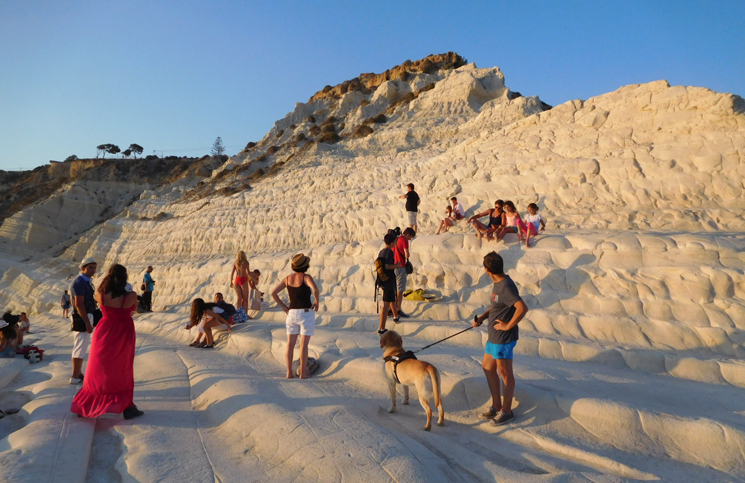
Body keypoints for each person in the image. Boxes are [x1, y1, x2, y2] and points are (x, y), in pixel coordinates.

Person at [71, 264, 144, 420]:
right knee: (123, 368)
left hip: (105, 330)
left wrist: (106, 280)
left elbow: (97, 295)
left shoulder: (101, 293)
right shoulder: (131, 295)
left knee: (98, 366)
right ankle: (128, 407)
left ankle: (86, 405)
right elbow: (135, 309)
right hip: (124, 331)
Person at [471, 252, 528, 425]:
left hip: (503, 338)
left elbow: (522, 308)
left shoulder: (506, 287)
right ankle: (496, 405)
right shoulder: (498, 283)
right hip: (494, 337)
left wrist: (508, 325)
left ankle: (507, 411)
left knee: (505, 373)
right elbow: (497, 305)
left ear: (487, 270)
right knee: (488, 368)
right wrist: (482, 317)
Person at [270, 254, 320, 379]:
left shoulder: (287, 279)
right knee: (303, 345)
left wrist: (283, 306)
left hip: (291, 314)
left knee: (290, 344)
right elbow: (315, 289)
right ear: (306, 265)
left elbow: (273, 293)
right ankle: (303, 373)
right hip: (305, 313)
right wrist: (316, 301)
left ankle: (289, 373)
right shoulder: (305, 277)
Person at [69, 258, 98, 385]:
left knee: (81, 346)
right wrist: (87, 322)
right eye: (90, 267)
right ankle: (75, 376)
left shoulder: (85, 282)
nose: (93, 270)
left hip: (84, 316)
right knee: (80, 347)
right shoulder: (79, 282)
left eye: (94, 267)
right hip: (82, 317)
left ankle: (78, 374)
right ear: (83, 268)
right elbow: (79, 304)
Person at [376, 232, 401, 336]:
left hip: (382, 279)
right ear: (392, 243)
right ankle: (381, 328)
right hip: (388, 280)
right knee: (385, 304)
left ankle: (395, 316)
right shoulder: (389, 252)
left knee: (391, 299)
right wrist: (396, 266)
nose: (396, 242)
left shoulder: (381, 251)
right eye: (395, 241)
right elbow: (387, 266)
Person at [393, 228, 415, 318]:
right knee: (400, 289)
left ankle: (392, 309)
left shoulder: (396, 239)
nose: (410, 239)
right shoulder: (404, 240)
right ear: (408, 234)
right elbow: (407, 254)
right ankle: (398, 309)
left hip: (393, 266)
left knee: (394, 288)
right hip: (400, 266)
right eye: (411, 238)